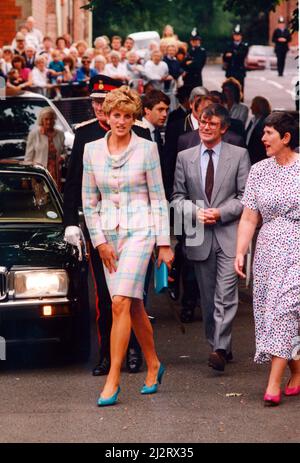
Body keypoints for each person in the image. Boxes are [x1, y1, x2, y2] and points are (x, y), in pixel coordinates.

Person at [82, 86, 173, 406]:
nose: (121, 121)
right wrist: (100, 242)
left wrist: (164, 243)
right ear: (106, 116)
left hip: (140, 231)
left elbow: (158, 199)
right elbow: (88, 203)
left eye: (127, 116)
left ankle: (113, 378)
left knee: (119, 302)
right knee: (133, 306)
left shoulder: (147, 149)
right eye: (115, 115)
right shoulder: (91, 150)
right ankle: (154, 363)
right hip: (109, 236)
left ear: (135, 118)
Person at [63, 75, 152, 377]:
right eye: (95, 102)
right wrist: (70, 223)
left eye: (105, 101)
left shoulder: (142, 134)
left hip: (137, 229)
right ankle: (105, 355)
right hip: (102, 228)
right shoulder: (86, 136)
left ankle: (135, 353)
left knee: (134, 295)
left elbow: (154, 188)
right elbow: (75, 182)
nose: (99, 107)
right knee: (104, 296)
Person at [172, 103, 251, 371]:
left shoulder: (239, 155)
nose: (206, 127)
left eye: (212, 124)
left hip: (229, 233)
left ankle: (219, 347)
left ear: (224, 128)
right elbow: (177, 198)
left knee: (226, 294)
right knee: (207, 297)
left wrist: (221, 213)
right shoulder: (185, 157)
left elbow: (245, 197)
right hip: (199, 234)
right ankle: (217, 345)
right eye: (203, 122)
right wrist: (195, 212)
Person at [234, 112, 300, 406]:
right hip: (267, 251)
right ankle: (297, 370)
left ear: (286, 138)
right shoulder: (259, 170)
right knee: (270, 313)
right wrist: (240, 251)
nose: (262, 138)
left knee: (285, 309)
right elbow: (249, 217)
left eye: (269, 132)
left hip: (297, 248)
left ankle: (273, 385)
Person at [25, 107, 65, 190]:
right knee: (41, 200)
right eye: (46, 119)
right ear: (41, 120)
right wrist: (25, 178)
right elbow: (28, 158)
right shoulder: (34, 134)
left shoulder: (60, 134)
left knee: (55, 199)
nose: (49, 122)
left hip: (56, 174)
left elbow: (63, 152)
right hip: (39, 175)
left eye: (51, 119)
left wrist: (62, 157)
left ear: (54, 120)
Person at [222, 25, 248, 93]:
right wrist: (234, 54)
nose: (236, 37)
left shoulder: (244, 46)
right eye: (235, 35)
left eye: (238, 35)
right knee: (229, 90)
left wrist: (232, 54)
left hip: (239, 70)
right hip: (230, 70)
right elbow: (225, 57)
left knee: (239, 89)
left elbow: (242, 55)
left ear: (241, 36)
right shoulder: (229, 45)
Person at [246, 96, 271, 164]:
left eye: (253, 105)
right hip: (249, 155)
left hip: (259, 157)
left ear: (259, 107)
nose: (251, 107)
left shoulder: (266, 122)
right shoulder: (252, 120)